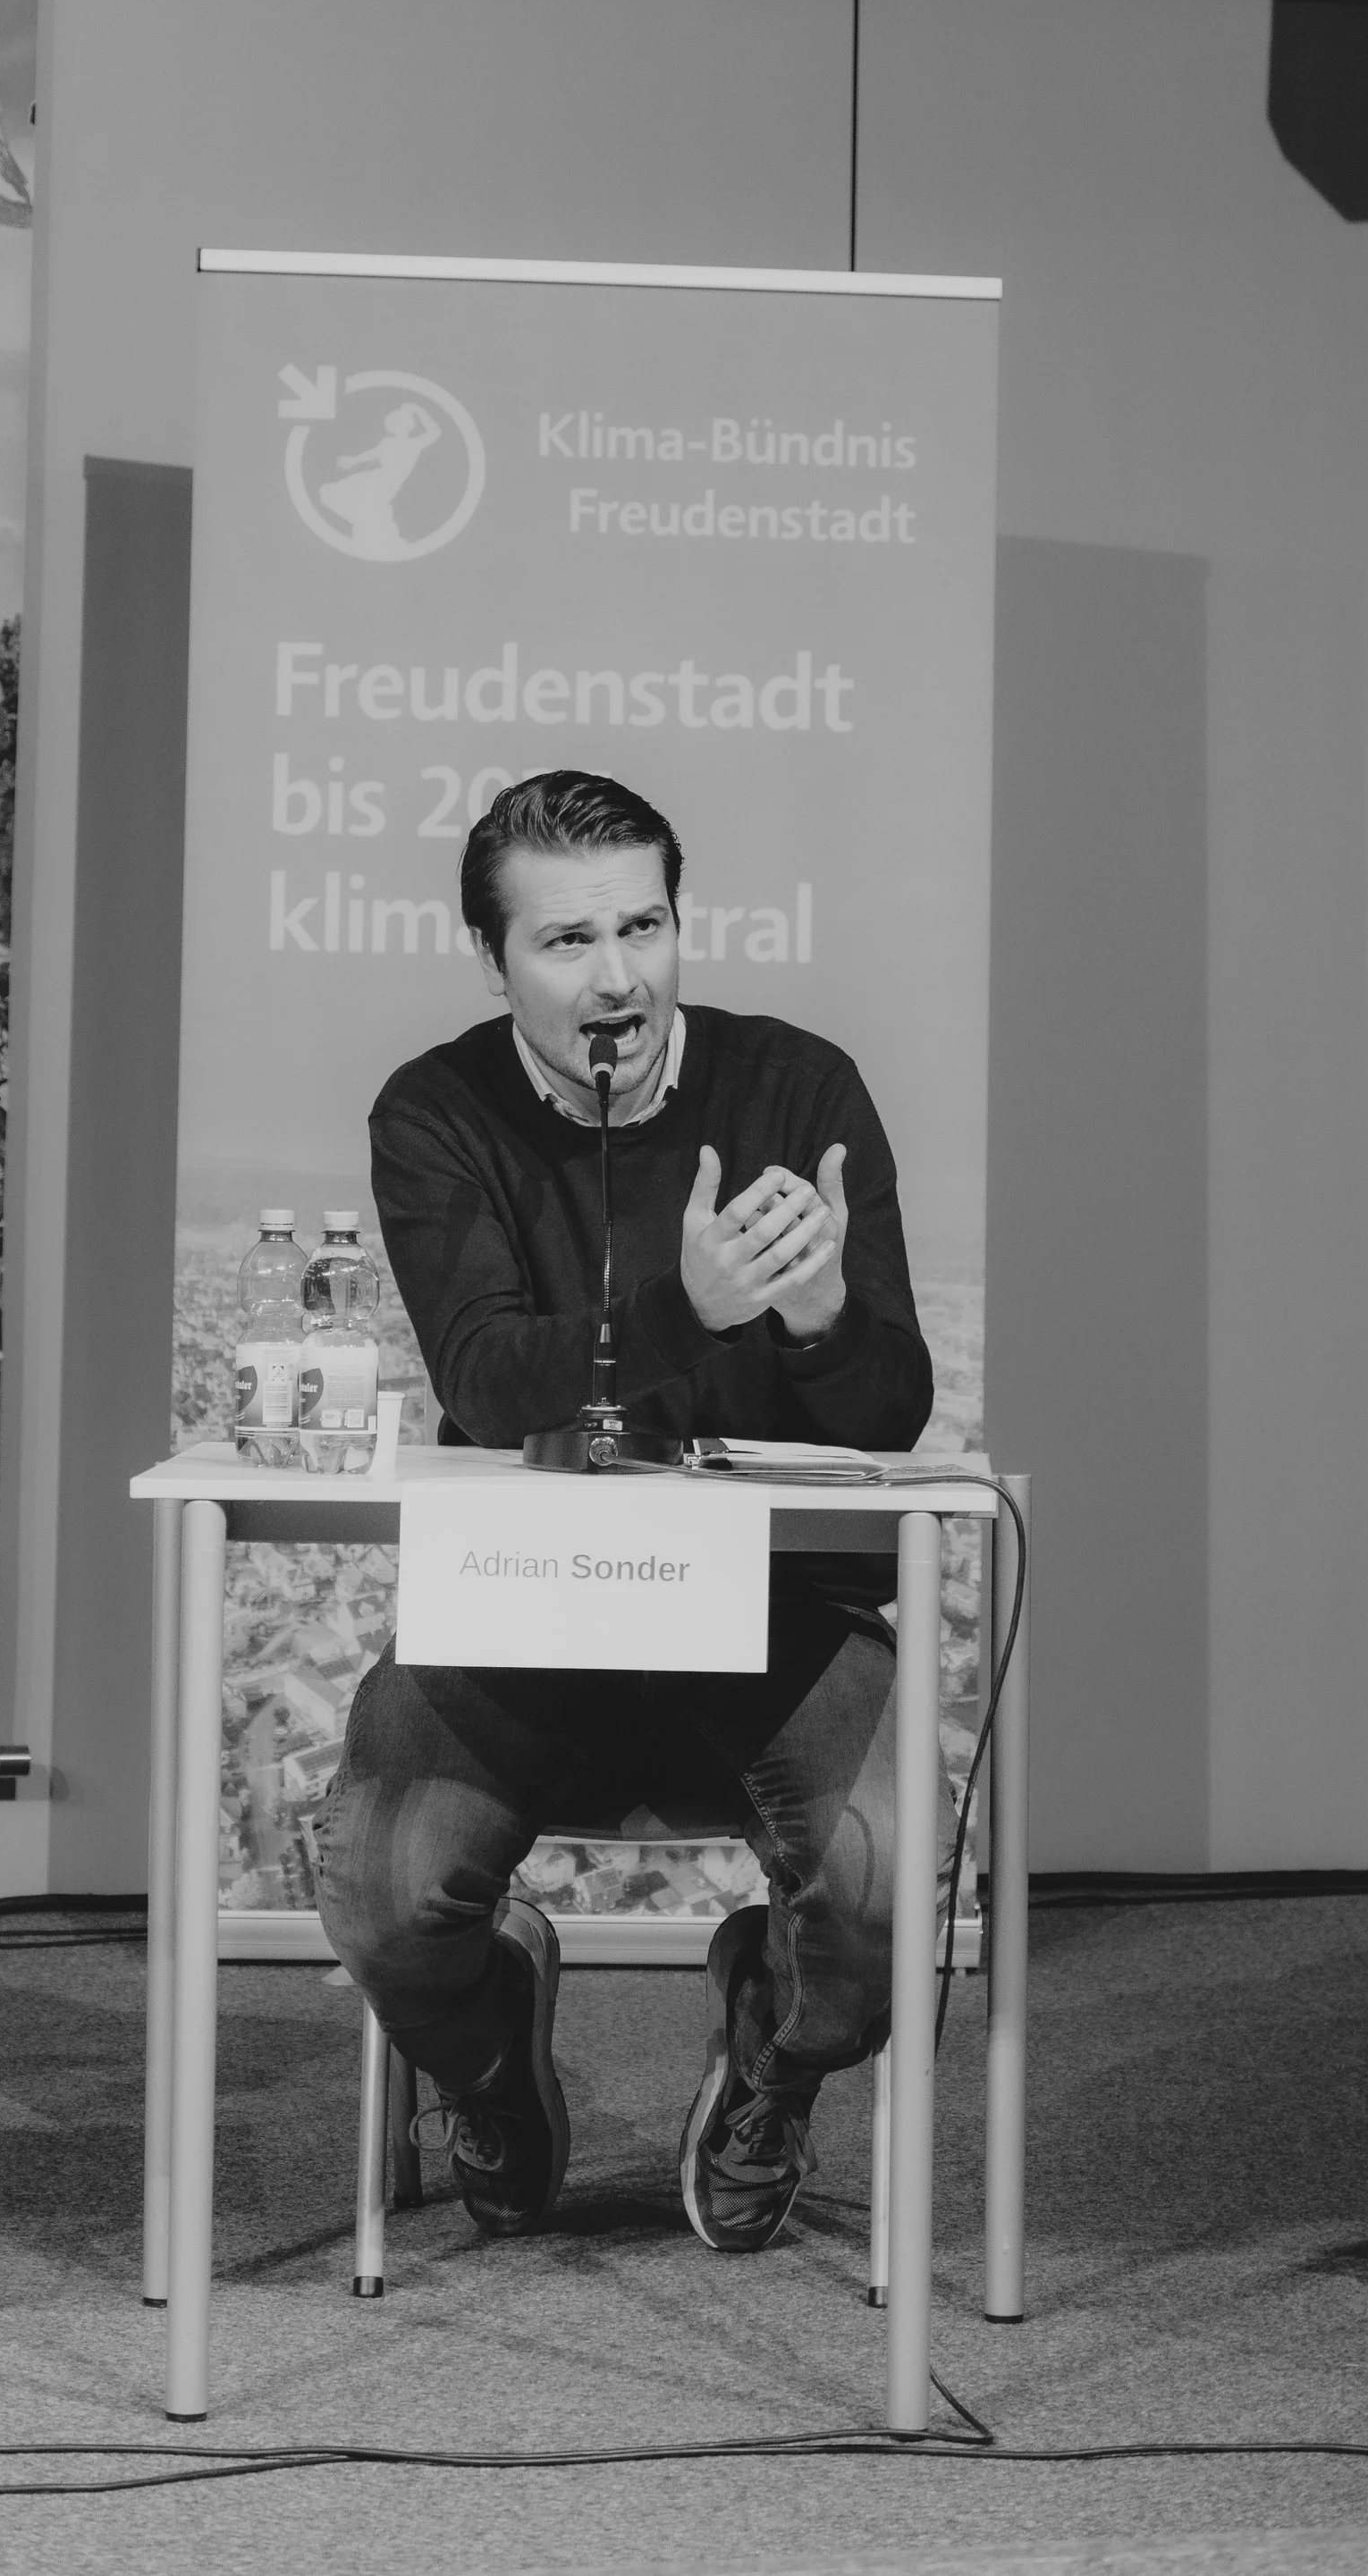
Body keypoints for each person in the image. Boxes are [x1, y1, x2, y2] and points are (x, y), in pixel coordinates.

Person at [316, 768, 937, 2256]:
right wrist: (687, 1309)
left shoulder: (799, 1088)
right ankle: (492, 2062)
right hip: (529, 1604)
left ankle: (771, 2054)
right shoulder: (438, 1110)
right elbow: (487, 1378)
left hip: (779, 1613)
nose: (618, 980)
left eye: (643, 928)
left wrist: (819, 1316)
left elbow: (890, 1415)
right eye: (568, 941)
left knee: (882, 1896)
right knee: (384, 1889)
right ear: (495, 961)